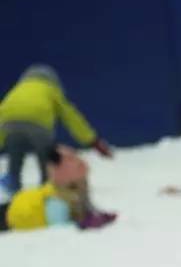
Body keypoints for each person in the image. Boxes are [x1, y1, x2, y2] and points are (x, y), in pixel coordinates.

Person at [0, 65, 112, 199]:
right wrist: (92, 140)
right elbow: (71, 117)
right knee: (45, 157)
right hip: (38, 123)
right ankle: (46, 186)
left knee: (15, 152)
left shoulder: (17, 90)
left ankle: (13, 182)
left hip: (9, 123)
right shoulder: (51, 89)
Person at [1, 145, 117, 233]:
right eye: (82, 182)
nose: (85, 186)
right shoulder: (57, 201)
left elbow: (83, 210)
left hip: (20, 205)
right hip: (15, 214)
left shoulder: (71, 195)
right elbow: (58, 227)